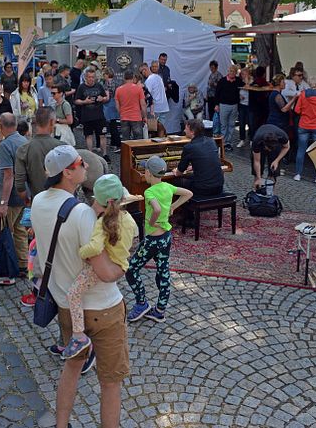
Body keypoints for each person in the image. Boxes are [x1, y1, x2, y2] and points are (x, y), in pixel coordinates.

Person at [30, 145, 129, 428]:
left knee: (71, 367)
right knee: (111, 382)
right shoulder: (81, 213)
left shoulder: (38, 202)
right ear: (67, 173)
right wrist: (124, 264)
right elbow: (105, 272)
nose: (86, 163)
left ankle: (61, 425)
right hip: (102, 307)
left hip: (64, 304)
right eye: (79, 162)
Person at [62, 174, 137, 359]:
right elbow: (133, 238)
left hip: (105, 266)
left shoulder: (102, 223)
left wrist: (81, 251)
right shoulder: (128, 219)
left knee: (73, 293)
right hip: (121, 262)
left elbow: (95, 247)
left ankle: (79, 336)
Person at [126, 156, 192, 323]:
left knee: (131, 270)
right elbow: (188, 193)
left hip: (152, 240)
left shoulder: (149, 192)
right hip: (165, 238)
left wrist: (153, 221)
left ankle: (142, 304)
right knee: (163, 272)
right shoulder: (168, 186)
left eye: (144, 170)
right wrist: (173, 207)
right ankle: (160, 310)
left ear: (148, 173)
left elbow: (155, 208)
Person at [0, 113, 29, 271]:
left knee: (4, 231)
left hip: (13, 197)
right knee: (20, 230)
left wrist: (3, 203)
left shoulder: (4, 145)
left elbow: (9, 176)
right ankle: (23, 264)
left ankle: (9, 266)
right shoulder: (24, 141)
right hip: (25, 194)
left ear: (0, 126)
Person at [14, 106, 64, 203]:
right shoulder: (62, 147)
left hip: (38, 202)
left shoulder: (24, 149)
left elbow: (19, 184)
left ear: (35, 122)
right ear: (52, 122)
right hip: (62, 203)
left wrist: (28, 201)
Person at [174, 118, 224, 197]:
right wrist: (194, 166)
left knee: (175, 181)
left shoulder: (189, 147)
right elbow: (207, 160)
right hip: (219, 186)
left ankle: (184, 207)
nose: (184, 131)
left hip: (202, 189)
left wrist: (175, 171)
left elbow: (179, 172)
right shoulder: (211, 141)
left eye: (186, 129)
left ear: (192, 132)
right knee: (192, 177)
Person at [293, 77, 316, 181]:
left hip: (304, 125)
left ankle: (298, 174)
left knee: (301, 150)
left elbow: (296, 110)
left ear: (309, 84)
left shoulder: (303, 94)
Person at [75, 69, 110, 161]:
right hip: (87, 116)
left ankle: (105, 154)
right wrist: (84, 101)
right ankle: (90, 155)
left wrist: (102, 98)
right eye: (89, 77)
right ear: (86, 77)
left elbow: (106, 97)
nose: (91, 79)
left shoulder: (99, 86)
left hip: (99, 115)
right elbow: (76, 101)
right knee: (88, 135)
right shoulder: (81, 87)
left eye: (93, 77)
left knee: (102, 135)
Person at [251, 124, 290, 190]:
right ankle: (257, 192)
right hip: (261, 142)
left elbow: (286, 147)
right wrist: (258, 178)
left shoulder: (282, 136)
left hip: (275, 147)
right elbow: (256, 161)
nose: (269, 150)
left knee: (273, 172)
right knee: (257, 173)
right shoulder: (257, 141)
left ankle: (270, 193)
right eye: (268, 149)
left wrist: (277, 160)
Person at [215, 64, 244, 151]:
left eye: (233, 71)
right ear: (228, 72)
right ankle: (223, 143)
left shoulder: (238, 80)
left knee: (231, 125)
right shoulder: (222, 81)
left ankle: (228, 143)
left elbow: (245, 85)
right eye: (230, 71)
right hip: (223, 105)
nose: (232, 73)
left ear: (236, 73)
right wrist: (216, 105)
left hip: (234, 105)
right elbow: (217, 93)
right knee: (223, 125)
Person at [115, 70, 147, 141]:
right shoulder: (139, 89)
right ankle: (137, 152)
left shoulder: (118, 90)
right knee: (138, 140)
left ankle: (126, 152)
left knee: (125, 140)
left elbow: (117, 106)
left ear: (124, 78)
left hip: (124, 117)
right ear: (133, 78)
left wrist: (121, 113)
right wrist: (144, 117)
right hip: (136, 117)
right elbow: (143, 104)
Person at [101, 68, 121, 153]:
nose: (103, 76)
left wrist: (101, 99)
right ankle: (114, 143)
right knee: (114, 125)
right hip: (115, 104)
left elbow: (107, 97)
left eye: (104, 74)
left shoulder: (106, 84)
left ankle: (117, 144)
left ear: (107, 74)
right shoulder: (117, 83)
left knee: (110, 126)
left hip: (108, 105)